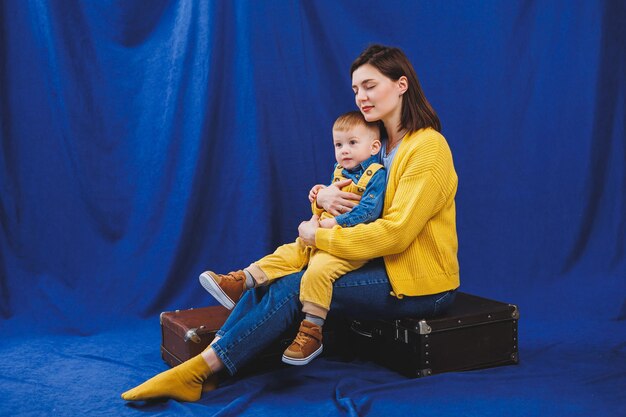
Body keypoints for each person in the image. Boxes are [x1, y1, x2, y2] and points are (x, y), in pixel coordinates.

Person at [121, 44, 460, 403]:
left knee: (297, 285)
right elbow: (350, 200)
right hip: (373, 262)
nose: (361, 96)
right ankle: (204, 369)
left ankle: (198, 372)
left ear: (402, 85)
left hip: (419, 282)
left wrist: (316, 237)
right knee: (275, 276)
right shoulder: (377, 145)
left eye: (370, 85)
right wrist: (322, 198)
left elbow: (396, 233)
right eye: (356, 89)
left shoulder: (427, 148)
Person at [198, 110, 386, 366]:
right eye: (338, 145)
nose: (344, 150)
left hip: (349, 245)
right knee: (287, 252)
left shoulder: (376, 174)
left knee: (317, 272)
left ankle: (312, 331)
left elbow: (369, 211)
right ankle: (241, 281)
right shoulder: (340, 171)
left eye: (352, 143)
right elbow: (329, 206)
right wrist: (319, 195)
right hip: (321, 235)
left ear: (374, 146)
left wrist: (335, 223)